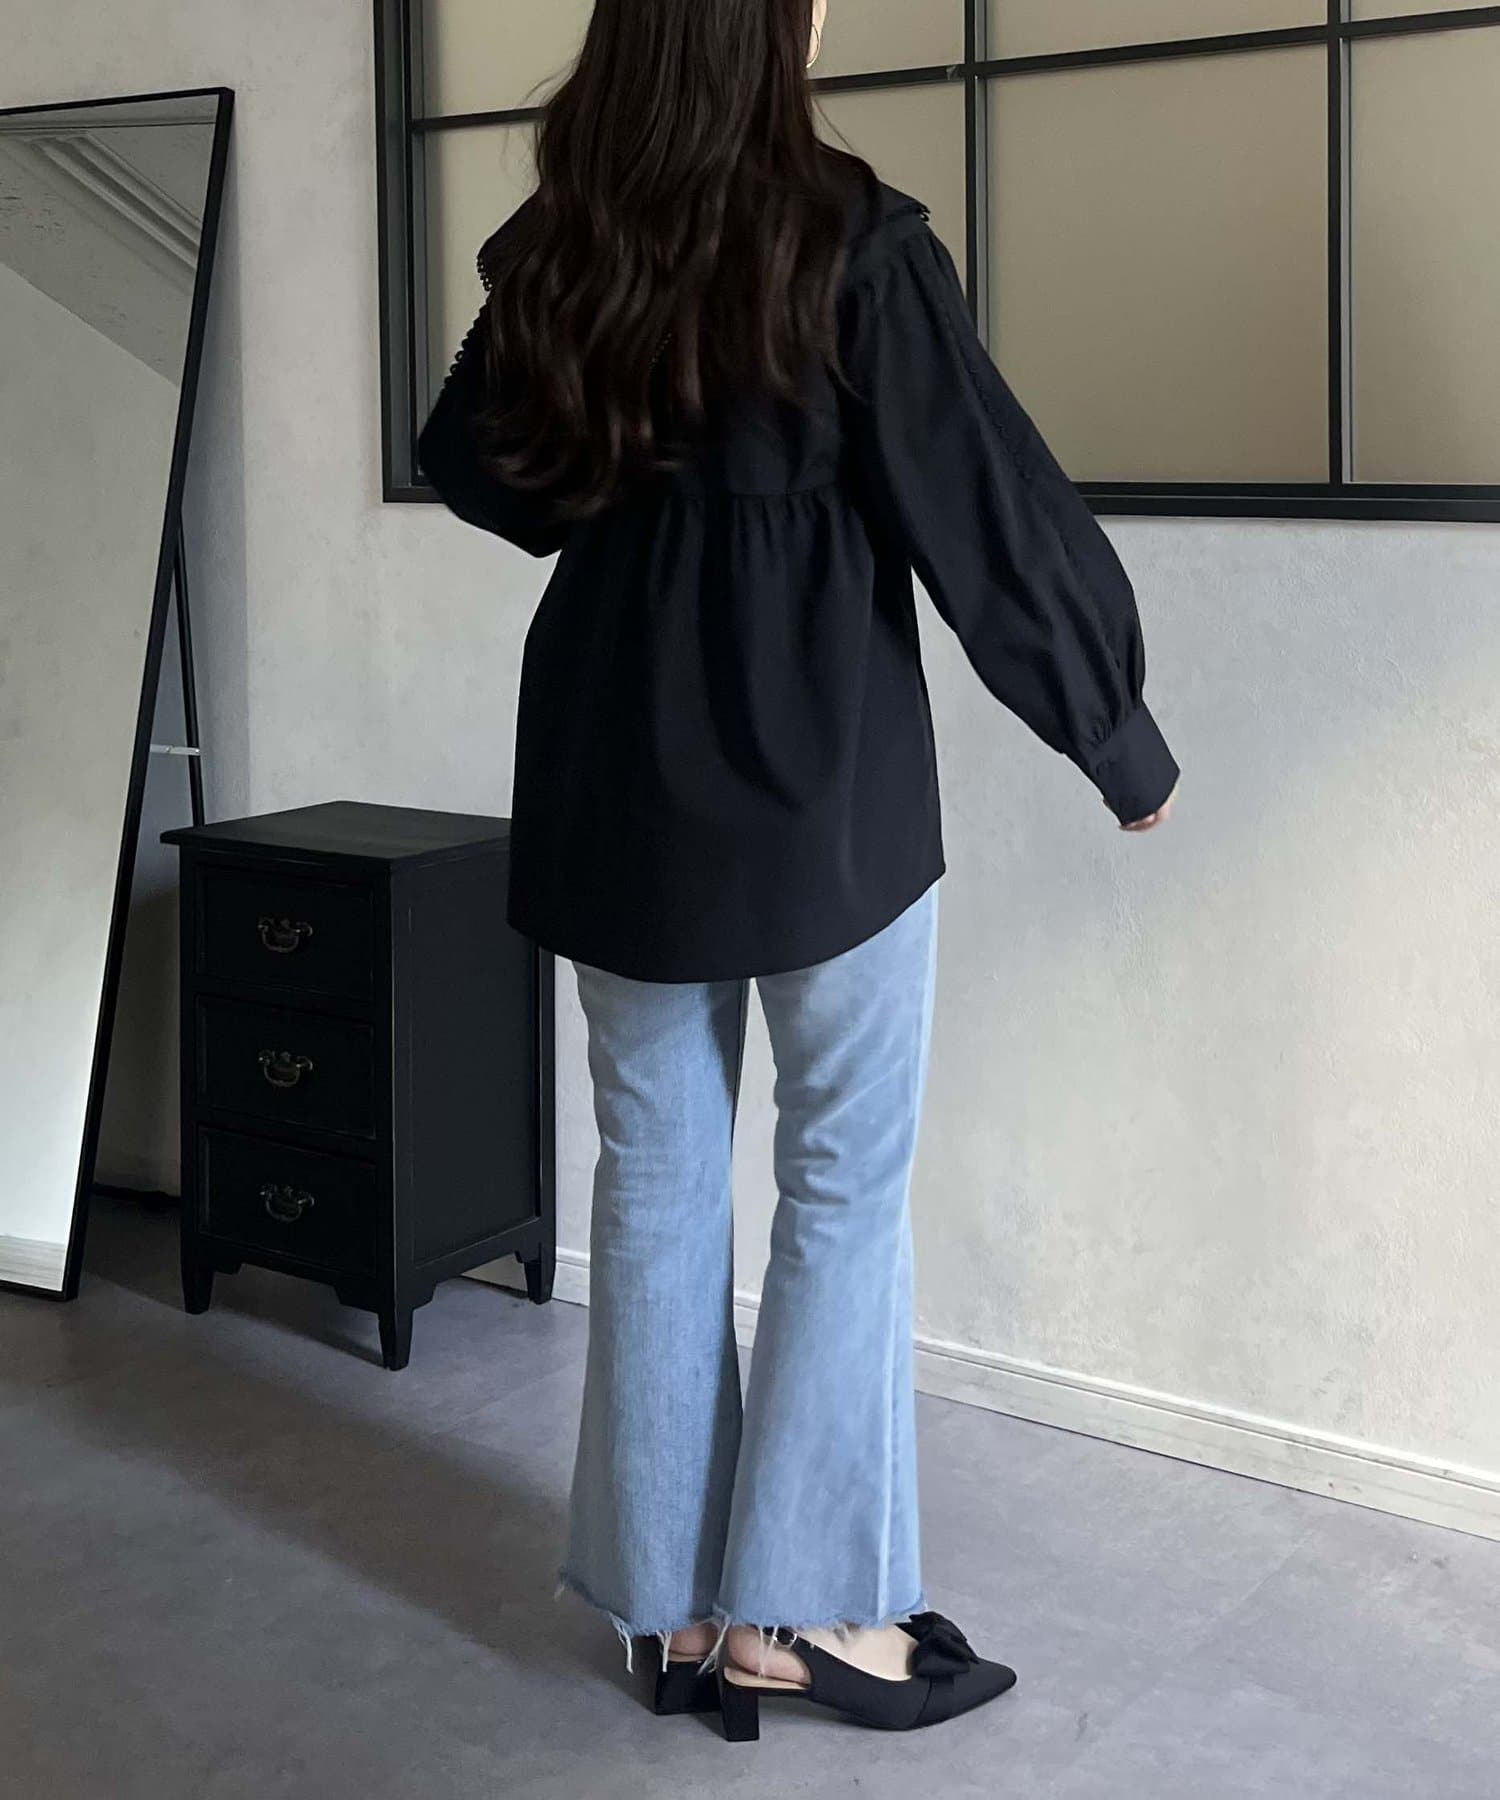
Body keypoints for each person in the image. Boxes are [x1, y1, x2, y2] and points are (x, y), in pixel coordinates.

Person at [418, 0, 1179, 1742]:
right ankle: (810, 1611)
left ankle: (672, 1612)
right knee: (839, 1184)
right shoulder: (854, 241)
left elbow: (472, 464)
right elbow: (985, 510)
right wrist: (1114, 735)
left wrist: (627, 469)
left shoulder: (570, 237)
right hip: (821, 789)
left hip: (615, 774)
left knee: (656, 1181)